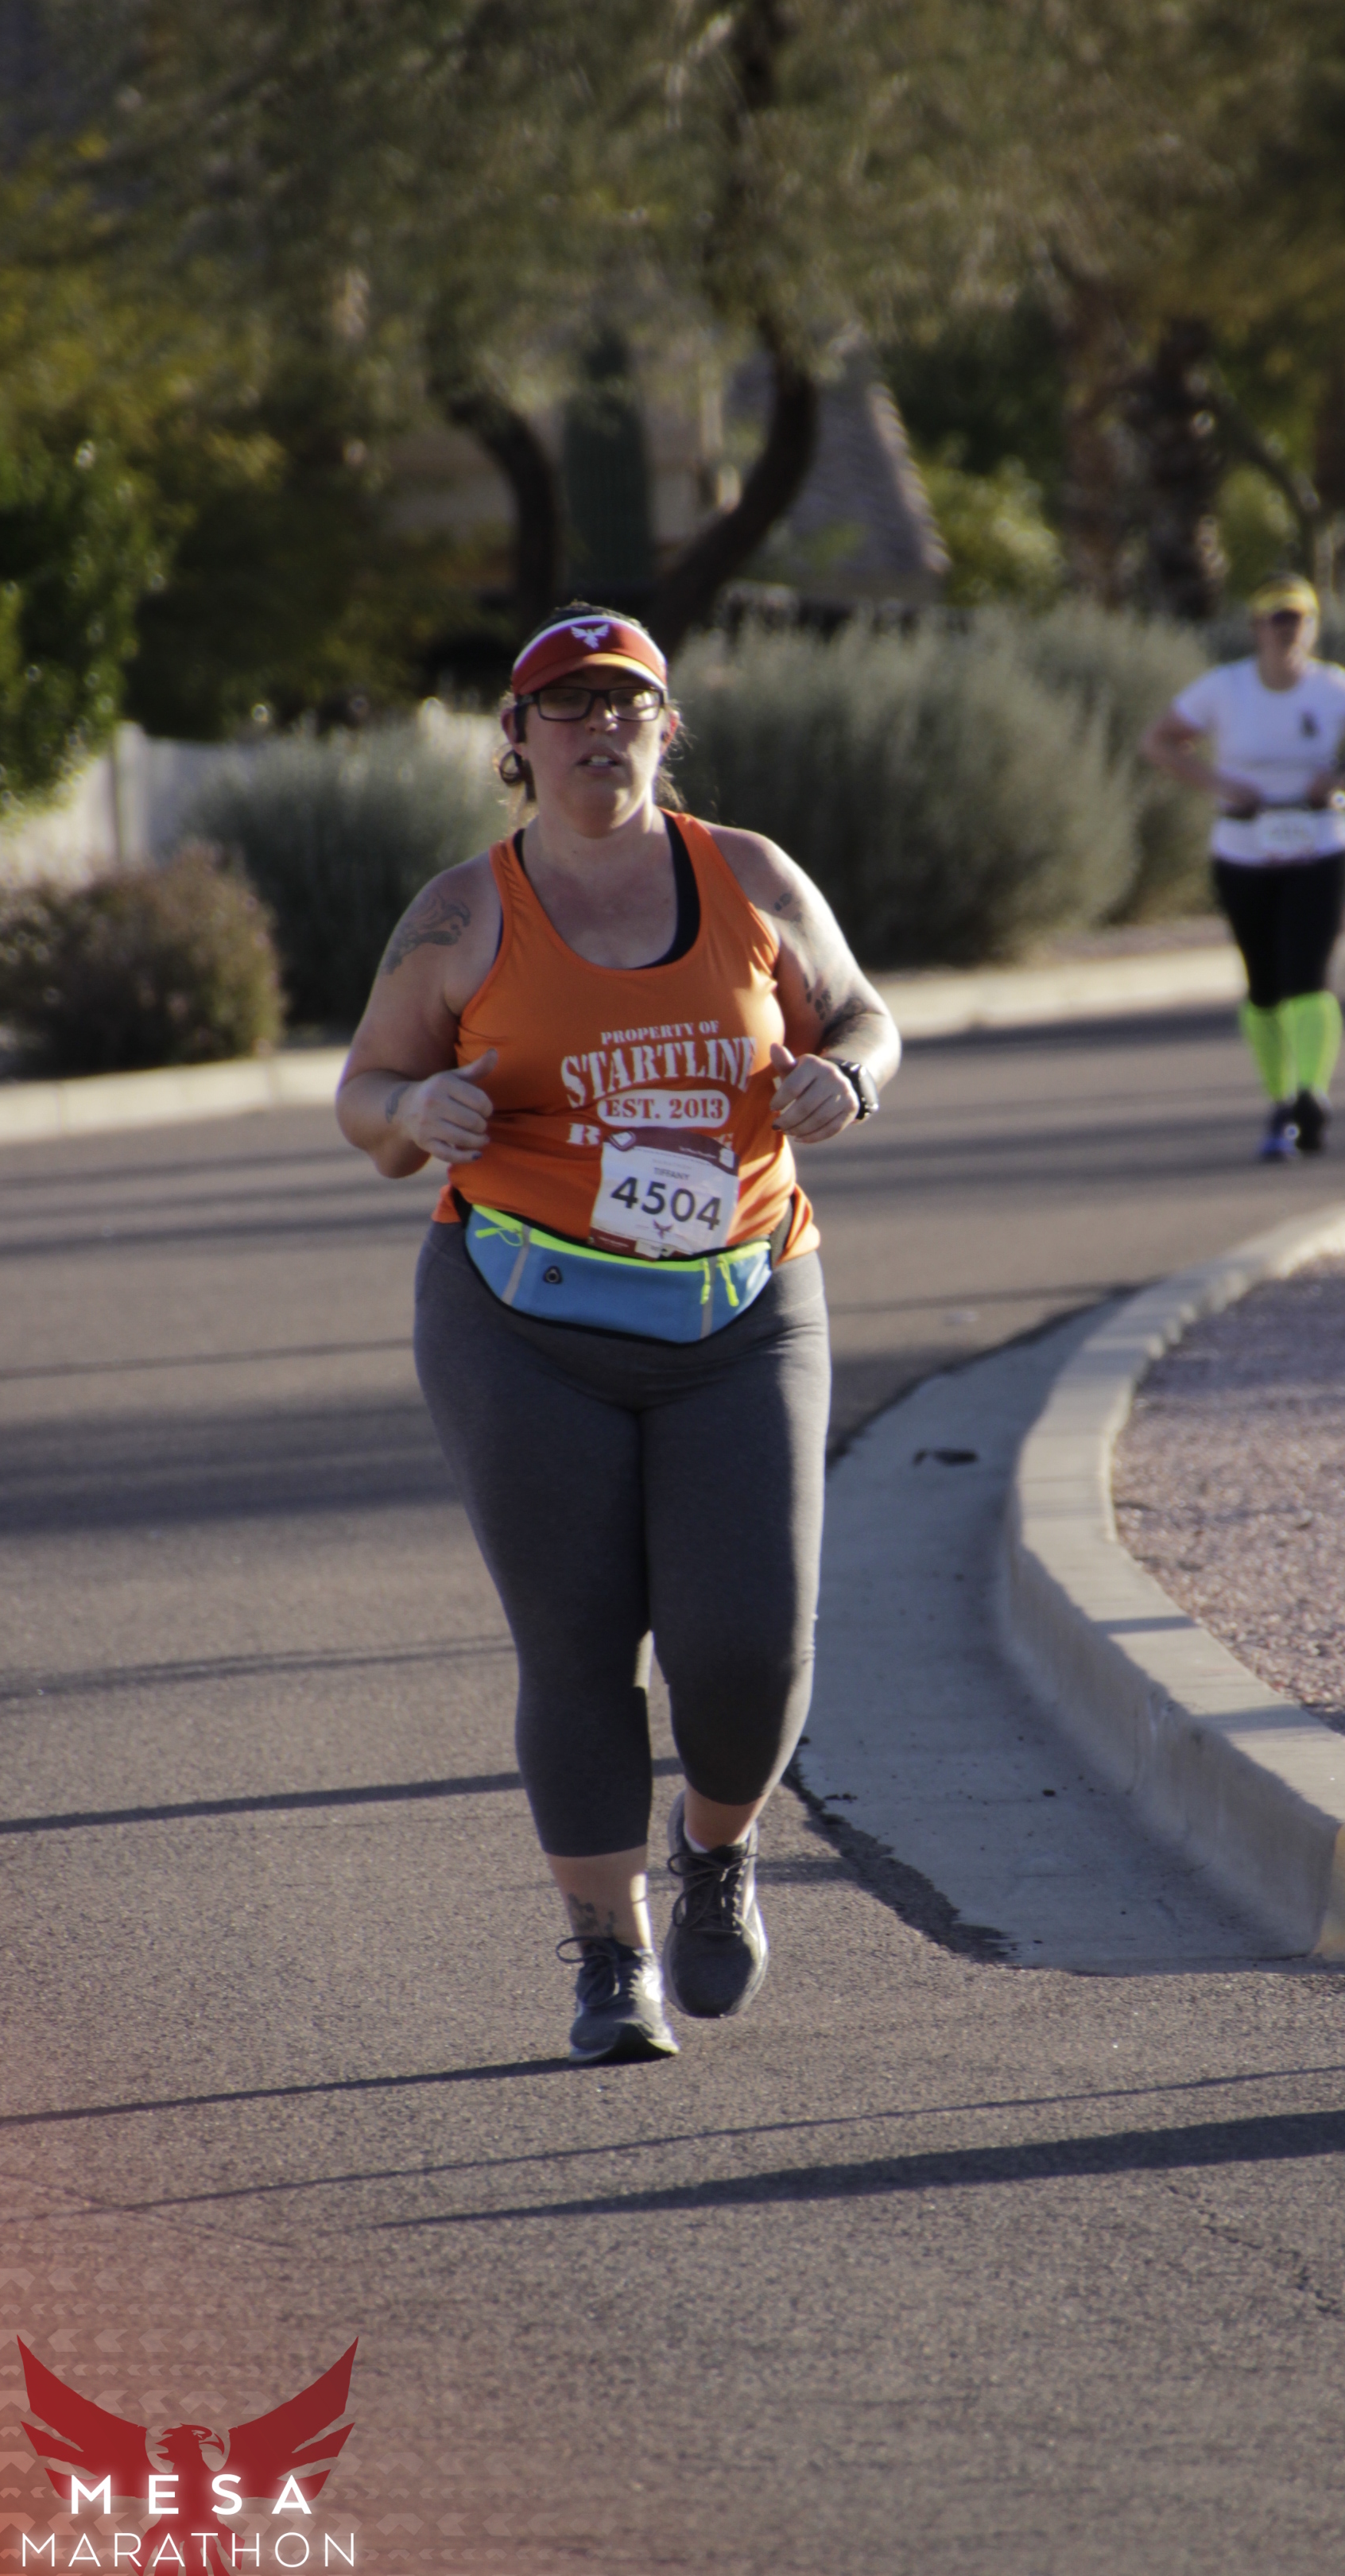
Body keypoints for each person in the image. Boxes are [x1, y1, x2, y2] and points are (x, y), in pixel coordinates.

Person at [335, 608, 899, 2064]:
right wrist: (417, 1108)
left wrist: (846, 1078)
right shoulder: (461, 915)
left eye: (626, 703)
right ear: (516, 741)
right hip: (521, 1322)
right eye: (567, 706)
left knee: (747, 1645)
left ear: (666, 727)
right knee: (577, 1644)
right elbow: (365, 1097)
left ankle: (717, 1850)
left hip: (743, 1306)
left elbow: (861, 1016)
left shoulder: (747, 875)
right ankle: (608, 1958)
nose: (600, 728)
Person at [1140, 574, 1345, 1160]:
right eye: (1277, 619)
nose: (1288, 631)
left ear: (1313, 628)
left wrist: (1344, 770)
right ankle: (1280, 1099)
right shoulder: (1225, 688)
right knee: (1263, 983)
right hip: (1244, 847)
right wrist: (1220, 784)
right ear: (1256, 628)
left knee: (1306, 973)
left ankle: (1311, 1094)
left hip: (1319, 843)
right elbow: (1159, 741)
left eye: (1299, 619)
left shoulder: (1334, 688)